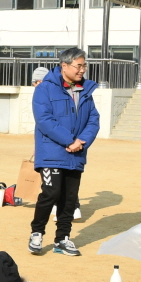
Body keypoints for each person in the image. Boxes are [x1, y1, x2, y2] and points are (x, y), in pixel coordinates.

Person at [28, 47, 99, 258]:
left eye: (84, 65)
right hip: (52, 153)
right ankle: (37, 233)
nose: (82, 70)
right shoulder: (45, 89)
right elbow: (44, 120)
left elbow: (93, 120)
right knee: (51, 193)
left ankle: (62, 239)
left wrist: (81, 141)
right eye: (79, 66)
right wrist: (69, 141)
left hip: (76, 153)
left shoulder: (85, 90)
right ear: (64, 66)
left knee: (70, 198)